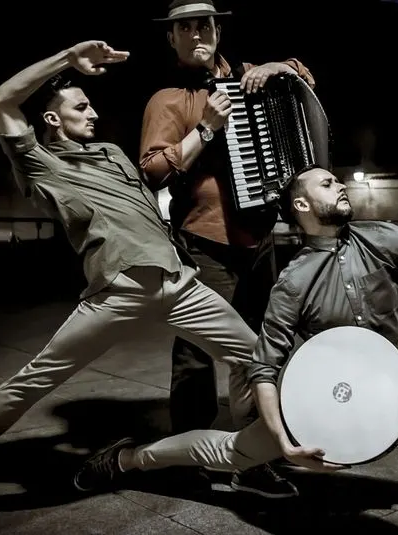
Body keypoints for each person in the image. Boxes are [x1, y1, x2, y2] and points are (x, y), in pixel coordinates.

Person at [73, 165, 398, 535]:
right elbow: (264, 369)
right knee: (229, 452)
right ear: (302, 205)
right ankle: (129, 457)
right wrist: (286, 444)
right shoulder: (293, 281)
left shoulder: (382, 239)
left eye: (339, 179)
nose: (341, 184)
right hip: (315, 406)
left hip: (389, 392)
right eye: (328, 183)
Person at [0, 40, 274, 528]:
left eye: (90, 104)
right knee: (34, 380)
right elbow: (2, 99)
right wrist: (68, 59)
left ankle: (250, 464)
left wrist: (208, 132)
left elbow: (155, 187)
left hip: (180, 283)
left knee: (257, 358)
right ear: (51, 120)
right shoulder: (39, 163)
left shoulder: (111, 153)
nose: (93, 112)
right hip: (118, 290)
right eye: (81, 105)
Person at [138, 0, 316, 498]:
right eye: (185, 28)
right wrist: (207, 128)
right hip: (204, 240)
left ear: (218, 31)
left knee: (260, 350)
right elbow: (151, 170)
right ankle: (184, 457)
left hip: (260, 238)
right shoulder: (168, 99)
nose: (198, 34)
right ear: (171, 38)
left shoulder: (250, 77)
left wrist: (279, 67)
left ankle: (253, 457)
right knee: (197, 355)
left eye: (205, 25)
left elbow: (303, 80)